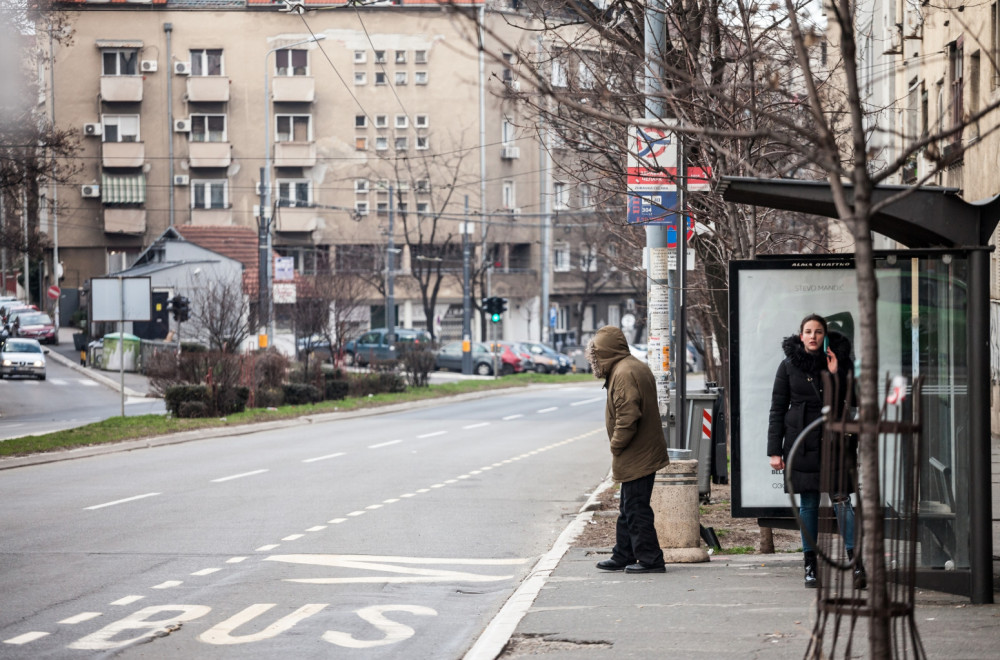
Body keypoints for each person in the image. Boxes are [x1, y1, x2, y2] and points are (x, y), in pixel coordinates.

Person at [767, 313, 866, 589]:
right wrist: (775, 451)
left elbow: (855, 400)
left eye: (818, 332)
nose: (812, 336)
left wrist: (836, 374)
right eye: (808, 331)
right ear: (801, 336)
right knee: (809, 504)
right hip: (802, 443)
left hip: (836, 441)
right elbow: (777, 409)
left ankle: (856, 563)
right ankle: (810, 565)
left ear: (825, 336)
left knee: (842, 501)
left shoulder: (842, 362)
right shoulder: (788, 366)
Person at [586, 326, 670, 574]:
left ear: (605, 353)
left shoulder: (623, 373)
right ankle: (623, 554)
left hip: (637, 453)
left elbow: (628, 415)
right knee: (628, 506)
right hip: (641, 451)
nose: (594, 362)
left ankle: (651, 559)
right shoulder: (630, 366)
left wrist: (616, 444)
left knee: (636, 509)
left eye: (595, 356)